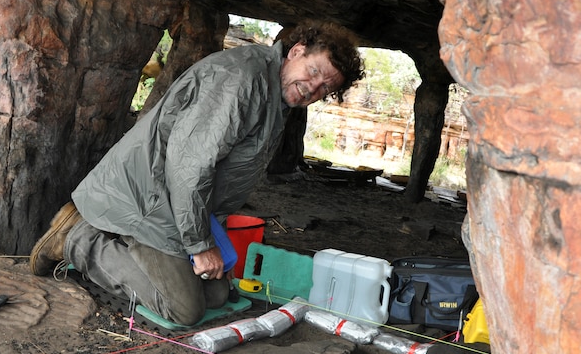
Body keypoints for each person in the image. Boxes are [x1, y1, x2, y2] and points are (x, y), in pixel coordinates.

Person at [29, 21, 364, 325]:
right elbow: (190, 166)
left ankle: (118, 237)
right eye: (314, 71)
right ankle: (77, 240)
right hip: (148, 196)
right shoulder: (241, 80)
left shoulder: (276, 94)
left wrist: (210, 238)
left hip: (179, 204)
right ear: (296, 52)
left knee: (216, 294)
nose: (313, 88)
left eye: (325, 88)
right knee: (184, 309)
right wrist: (201, 245)